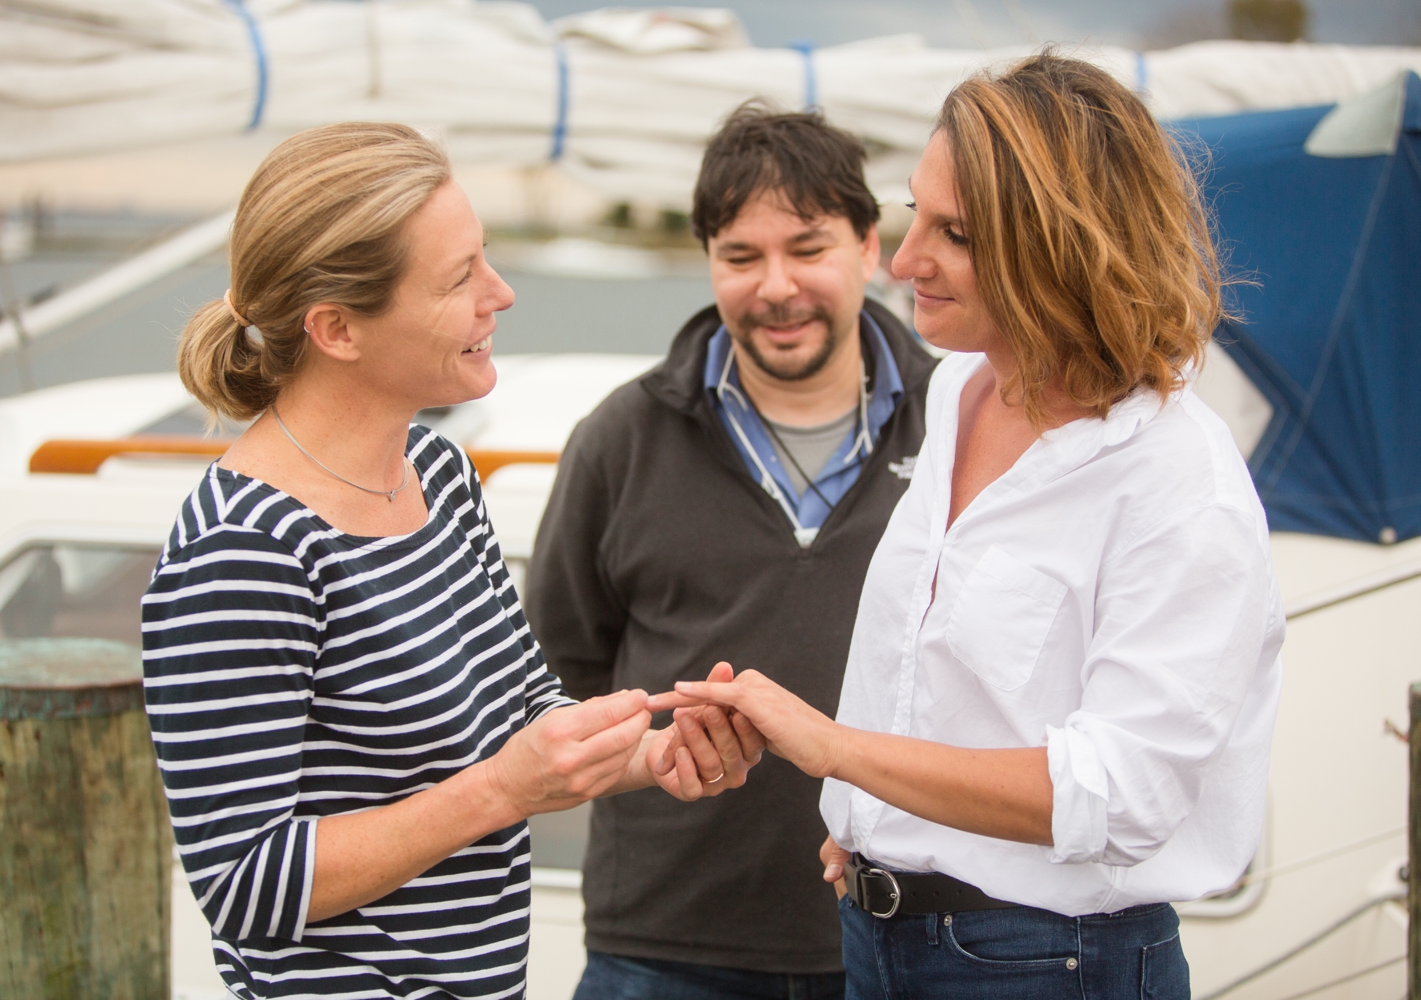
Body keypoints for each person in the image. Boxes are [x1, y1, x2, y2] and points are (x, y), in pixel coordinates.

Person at [654, 54, 1285, 998]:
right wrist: (875, 827)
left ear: (1060, 246)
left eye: (956, 233)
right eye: (917, 214)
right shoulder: (955, 394)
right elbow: (938, 682)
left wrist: (834, 750)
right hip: (879, 939)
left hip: (1054, 963)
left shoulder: (1176, 478)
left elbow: (1122, 795)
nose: (905, 261)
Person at [139, 122, 762, 1000]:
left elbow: (517, 712)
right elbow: (245, 885)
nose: (499, 294)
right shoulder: (242, 552)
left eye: (487, 260)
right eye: (459, 277)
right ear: (337, 329)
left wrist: (650, 756)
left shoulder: (437, 472)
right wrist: (502, 791)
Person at [526, 104, 939, 998]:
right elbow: (559, 673)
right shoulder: (619, 439)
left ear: (870, 247)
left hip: (914, 931)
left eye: (808, 248)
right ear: (708, 259)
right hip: (664, 944)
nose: (776, 287)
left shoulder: (964, 426)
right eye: (741, 257)